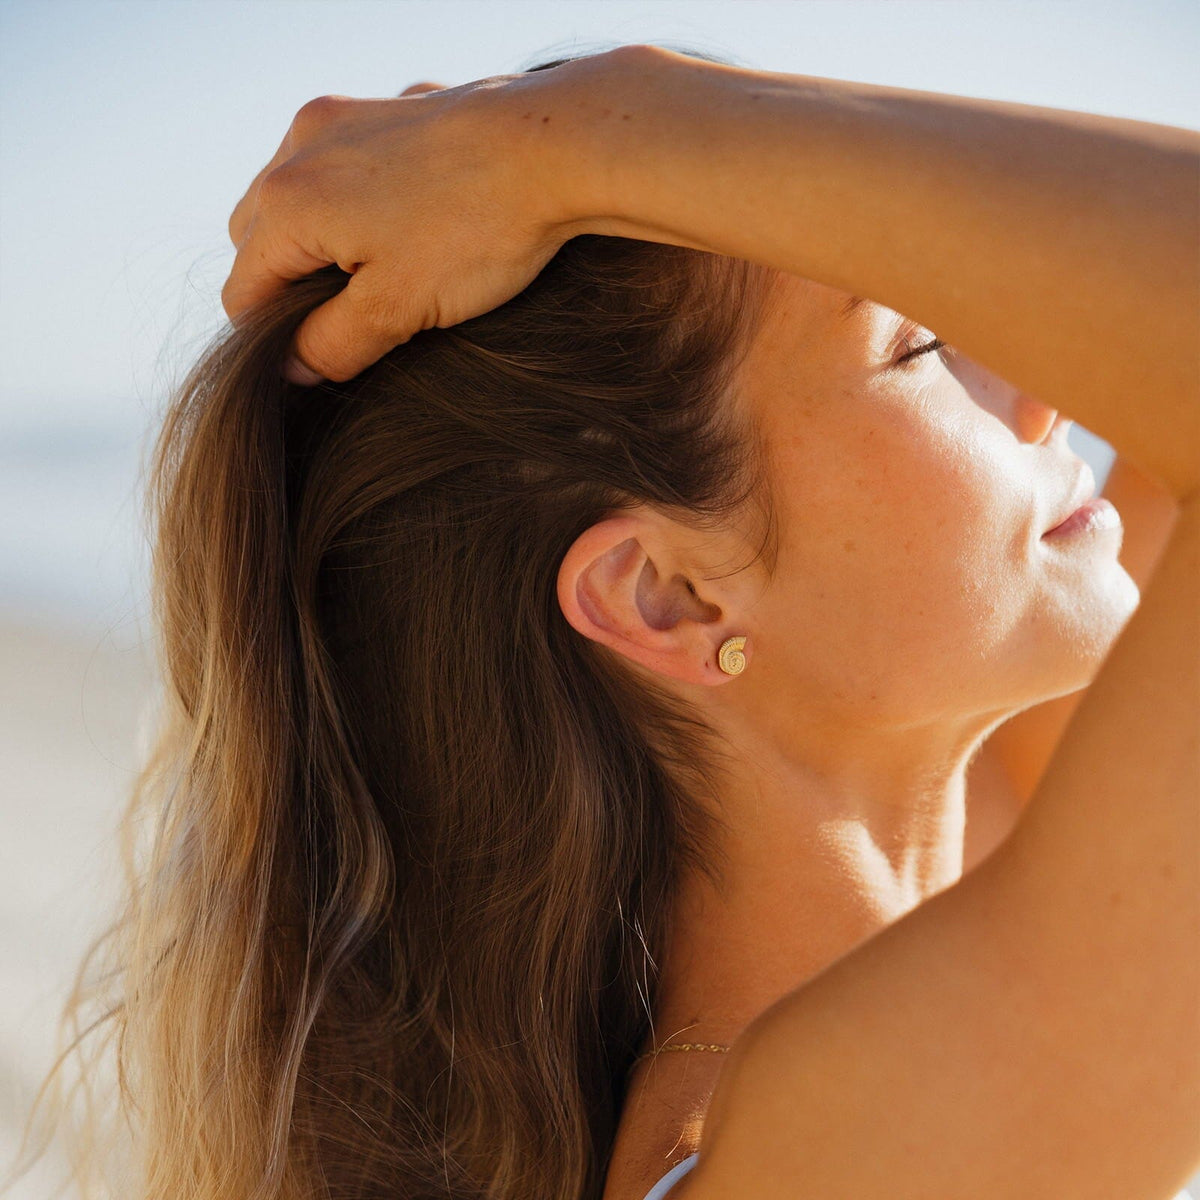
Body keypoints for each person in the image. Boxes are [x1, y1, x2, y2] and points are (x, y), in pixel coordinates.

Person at [13, 42, 1196, 1200]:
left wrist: (578, 148)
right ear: (666, 596)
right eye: (920, 346)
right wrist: (592, 128)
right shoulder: (840, 1149)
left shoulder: (964, 883)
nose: (1044, 394)